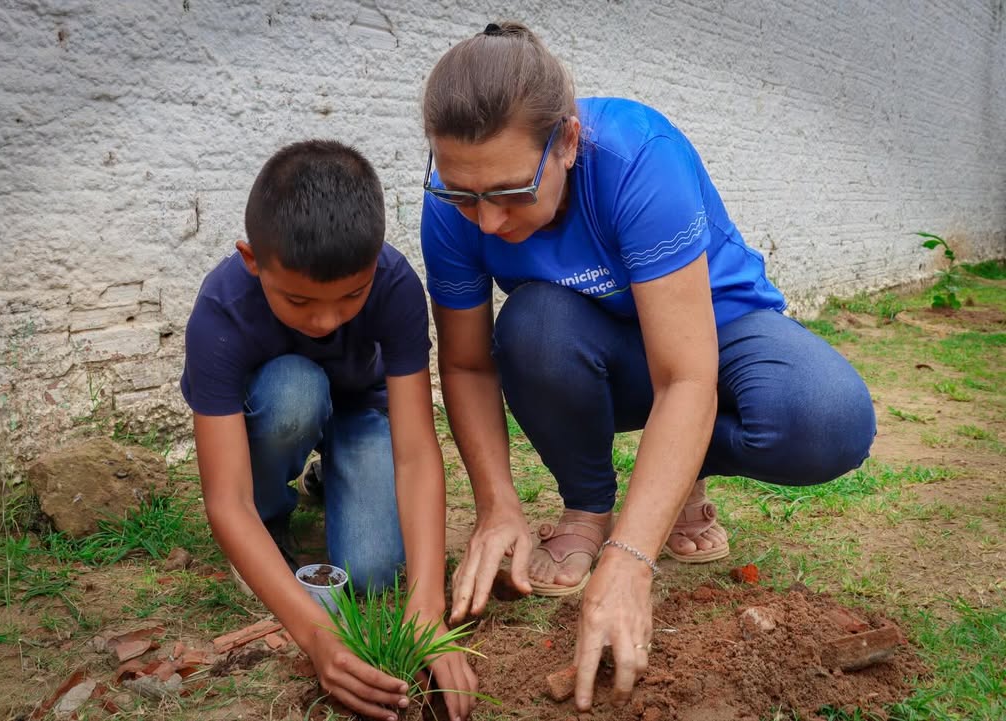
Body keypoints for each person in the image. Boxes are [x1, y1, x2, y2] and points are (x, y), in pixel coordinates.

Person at [419, 22, 876, 712]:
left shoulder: (637, 158)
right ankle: (587, 507)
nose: (485, 221)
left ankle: (676, 477)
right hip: (592, 344)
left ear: (567, 142)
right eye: (463, 194)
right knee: (532, 324)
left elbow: (686, 375)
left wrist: (631, 559)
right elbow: (466, 364)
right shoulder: (452, 203)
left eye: (510, 192)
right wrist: (497, 504)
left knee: (827, 418)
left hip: (714, 330)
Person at [181, 140, 478, 721]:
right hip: (283, 405)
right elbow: (225, 499)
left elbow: (417, 454)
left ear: (375, 261)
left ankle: (330, 474)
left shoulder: (394, 284)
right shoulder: (221, 310)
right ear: (252, 260)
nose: (325, 320)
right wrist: (316, 636)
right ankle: (273, 520)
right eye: (298, 300)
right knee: (294, 392)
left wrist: (427, 607)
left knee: (371, 570)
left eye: (351, 296)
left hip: (363, 408)